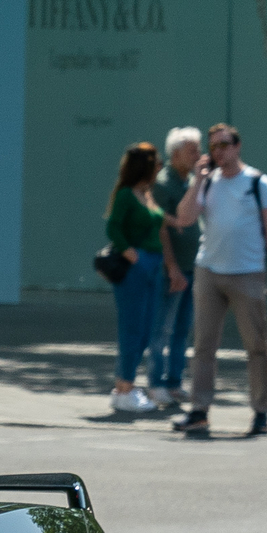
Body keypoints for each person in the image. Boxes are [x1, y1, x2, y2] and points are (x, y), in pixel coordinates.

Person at [167, 123, 267, 438]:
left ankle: (261, 412)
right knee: (204, 346)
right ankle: (199, 411)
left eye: (224, 145)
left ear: (237, 147)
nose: (218, 151)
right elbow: (183, 218)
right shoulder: (208, 182)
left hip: (248, 273)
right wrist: (198, 181)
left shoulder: (258, 182)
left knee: (256, 346)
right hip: (209, 271)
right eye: (214, 146)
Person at [102, 142, 168, 414]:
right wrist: (132, 255)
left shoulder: (146, 194)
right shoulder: (127, 195)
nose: (159, 167)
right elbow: (112, 226)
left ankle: (123, 388)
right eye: (156, 164)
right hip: (137, 268)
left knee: (145, 331)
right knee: (133, 331)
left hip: (153, 266)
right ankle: (125, 389)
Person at [149, 126, 203, 405]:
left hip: (193, 267)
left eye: (198, 149)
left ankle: (174, 382)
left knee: (183, 329)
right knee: (163, 328)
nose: (198, 154)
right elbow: (161, 229)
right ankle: (156, 383)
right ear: (176, 153)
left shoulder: (191, 180)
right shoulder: (163, 183)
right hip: (173, 269)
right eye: (192, 150)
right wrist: (172, 267)